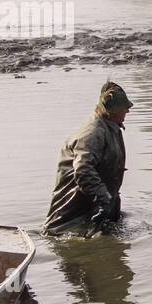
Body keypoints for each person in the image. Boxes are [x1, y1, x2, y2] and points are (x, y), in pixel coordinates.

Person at [43, 81, 131, 235]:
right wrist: (103, 200)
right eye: (124, 109)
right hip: (72, 212)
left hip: (95, 207)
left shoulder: (111, 127)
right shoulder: (93, 134)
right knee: (68, 243)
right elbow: (83, 170)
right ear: (112, 110)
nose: (127, 112)